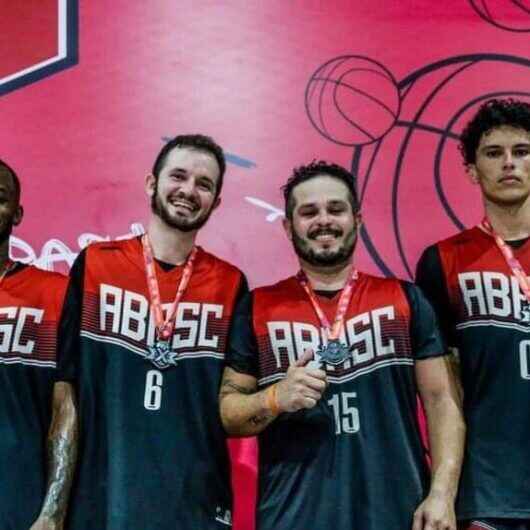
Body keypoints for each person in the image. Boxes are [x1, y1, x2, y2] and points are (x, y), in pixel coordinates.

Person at [220, 160, 465, 530]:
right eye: (309, 212)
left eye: (336, 209)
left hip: (398, 513)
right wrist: (273, 398)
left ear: (358, 219)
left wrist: (443, 495)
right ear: (288, 227)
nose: (324, 220)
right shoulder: (257, 307)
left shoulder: (404, 299)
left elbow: (441, 400)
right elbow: (228, 413)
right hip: (292, 517)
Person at [57, 135, 247, 529]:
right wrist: (54, 505)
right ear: (151, 183)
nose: (188, 190)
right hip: (103, 499)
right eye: (178, 176)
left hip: (193, 502)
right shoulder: (95, 265)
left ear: (216, 202)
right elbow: (65, 389)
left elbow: (234, 402)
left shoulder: (231, 284)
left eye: (204, 184)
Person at [416, 98, 530, 530]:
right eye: (493, 153)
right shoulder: (443, 261)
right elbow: (442, 390)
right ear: (471, 171)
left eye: (522, 151)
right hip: (487, 486)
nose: (509, 164)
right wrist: (442, 491)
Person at [0, 160, 76, 530]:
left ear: (18, 213)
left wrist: (54, 509)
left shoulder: (54, 294)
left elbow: (66, 406)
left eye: (0, 197)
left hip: (18, 500)